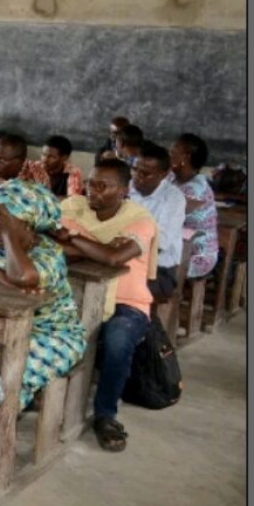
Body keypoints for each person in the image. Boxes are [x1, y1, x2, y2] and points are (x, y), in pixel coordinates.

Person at [54, 160, 159, 452]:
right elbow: (50, 246)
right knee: (43, 325)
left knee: (117, 340)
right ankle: (46, 396)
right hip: (74, 294)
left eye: (103, 186)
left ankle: (106, 414)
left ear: (124, 191)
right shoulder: (74, 207)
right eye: (91, 183)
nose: (93, 191)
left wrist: (75, 239)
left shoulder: (141, 220)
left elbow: (115, 258)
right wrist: (99, 249)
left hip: (127, 302)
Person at [0, 180, 87, 408]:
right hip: (0, 330)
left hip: (51, 335)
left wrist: (8, 234)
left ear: (29, 224)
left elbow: (23, 276)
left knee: (9, 378)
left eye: (3, 225)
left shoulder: (49, 253)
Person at [129, 144, 186, 301]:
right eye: (135, 169)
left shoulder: (174, 199)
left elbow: (159, 245)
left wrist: (120, 254)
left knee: (119, 287)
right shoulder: (127, 188)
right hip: (124, 259)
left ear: (164, 174)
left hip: (159, 271)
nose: (138, 176)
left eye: (146, 173)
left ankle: (150, 324)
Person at [170, 133, 219, 279]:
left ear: (185, 158)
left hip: (197, 256)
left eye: (173, 152)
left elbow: (165, 214)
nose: (169, 154)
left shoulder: (196, 189)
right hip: (177, 247)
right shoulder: (173, 179)